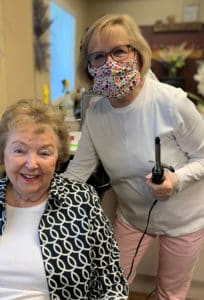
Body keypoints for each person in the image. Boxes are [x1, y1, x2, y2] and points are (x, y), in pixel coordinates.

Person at [63, 14, 204, 300]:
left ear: (137, 54)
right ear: (89, 67)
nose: (110, 63)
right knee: (110, 286)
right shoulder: (96, 113)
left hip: (185, 218)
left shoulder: (171, 102)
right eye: (99, 56)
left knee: (170, 293)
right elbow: (79, 170)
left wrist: (177, 180)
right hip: (132, 217)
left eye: (119, 51)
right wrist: (39, 196)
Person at [0, 99, 129, 300]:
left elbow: (113, 285)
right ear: (2, 153)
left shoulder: (82, 201)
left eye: (44, 153)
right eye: (19, 150)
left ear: (58, 157)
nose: (32, 164)